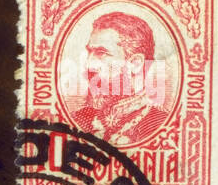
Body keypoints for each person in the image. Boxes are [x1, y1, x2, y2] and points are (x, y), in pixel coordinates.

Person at [72, 11, 169, 148]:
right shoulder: (78, 119)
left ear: (135, 63)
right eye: (90, 52)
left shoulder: (161, 125)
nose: (88, 65)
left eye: (101, 53)